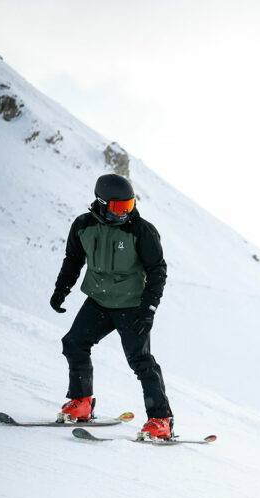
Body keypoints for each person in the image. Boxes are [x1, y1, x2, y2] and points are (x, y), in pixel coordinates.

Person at [49, 173, 174, 440]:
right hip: (98, 301)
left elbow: (157, 270)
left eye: (129, 206)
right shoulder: (83, 226)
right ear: (101, 203)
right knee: (74, 343)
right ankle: (81, 402)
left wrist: (149, 308)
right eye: (119, 208)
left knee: (141, 361)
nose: (126, 212)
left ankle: (161, 420)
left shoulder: (141, 231)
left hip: (132, 306)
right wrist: (62, 289)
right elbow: (73, 260)